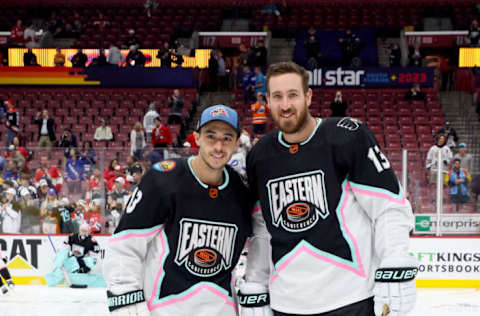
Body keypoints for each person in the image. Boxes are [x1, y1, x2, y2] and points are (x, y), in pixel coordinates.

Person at [242, 61, 417, 316]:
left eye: (293, 95)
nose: (286, 105)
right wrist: (256, 281)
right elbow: (261, 227)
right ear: (267, 100)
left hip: (350, 299)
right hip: (286, 303)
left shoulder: (348, 136)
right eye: (277, 96)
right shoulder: (260, 155)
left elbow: (388, 205)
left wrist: (395, 260)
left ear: (308, 96)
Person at [103, 105, 253, 316]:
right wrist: (125, 296)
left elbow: (259, 244)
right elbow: (126, 244)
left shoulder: (240, 191)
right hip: (166, 309)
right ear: (196, 138)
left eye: (227, 138)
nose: (219, 146)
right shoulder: (163, 179)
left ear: (237, 143)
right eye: (211, 136)